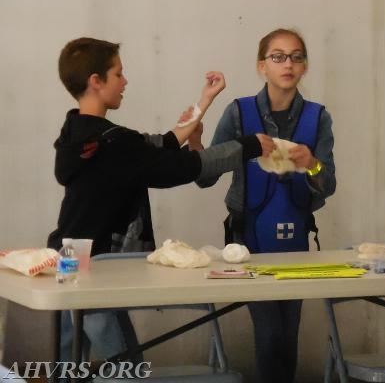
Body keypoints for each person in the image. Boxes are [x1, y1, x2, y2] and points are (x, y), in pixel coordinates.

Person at [48, 37, 272, 360]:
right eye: (118, 74)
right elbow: (182, 166)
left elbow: (160, 144)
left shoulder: (78, 134)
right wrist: (249, 146)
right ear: (96, 82)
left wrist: (204, 101)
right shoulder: (114, 145)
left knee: (68, 361)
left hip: (68, 254)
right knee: (124, 366)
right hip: (97, 266)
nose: (125, 82)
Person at [195, 28, 336, 383]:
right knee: (269, 332)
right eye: (278, 56)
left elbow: (328, 183)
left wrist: (312, 164)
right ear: (262, 66)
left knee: (289, 335)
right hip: (249, 239)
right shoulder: (240, 113)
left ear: (304, 66)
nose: (287, 64)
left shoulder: (317, 117)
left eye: (296, 56)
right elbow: (205, 175)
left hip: (296, 241)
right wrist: (194, 146)